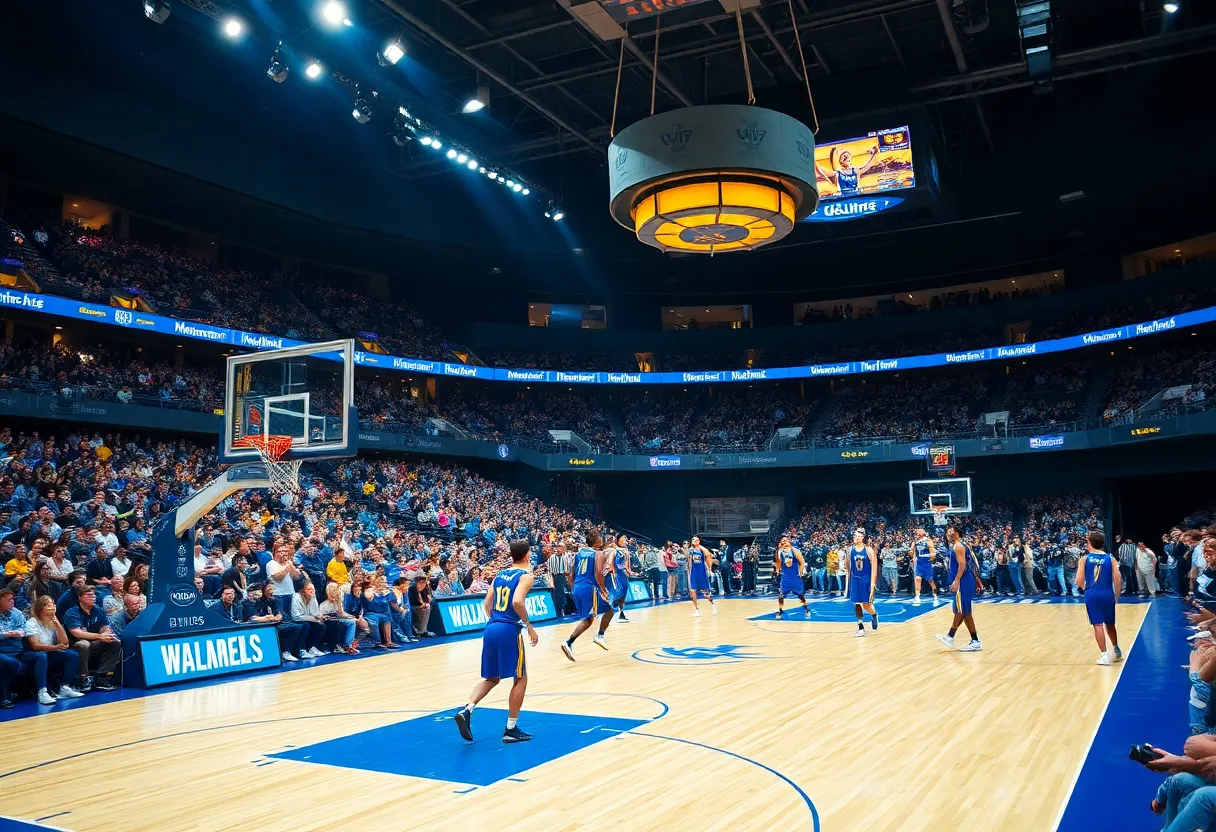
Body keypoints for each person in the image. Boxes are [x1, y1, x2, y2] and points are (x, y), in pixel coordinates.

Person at [454, 539, 539, 744]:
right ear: (527, 556)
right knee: (520, 677)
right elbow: (517, 601)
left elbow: (487, 602)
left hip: (491, 628)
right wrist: (528, 625)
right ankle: (510, 729)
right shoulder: (526, 576)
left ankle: (467, 710)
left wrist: (495, 619)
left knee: (492, 677)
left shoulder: (500, 574)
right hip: (509, 629)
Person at [560, 529, 613, 661]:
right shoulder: (598, 553)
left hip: (578, 587)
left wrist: (574, 589)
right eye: (599, 537)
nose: (601, 539)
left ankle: (569, 642)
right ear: (596, 541)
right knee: (612, 608)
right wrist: (603, 589)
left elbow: (571, 575)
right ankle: (600, 635)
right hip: (589, 587)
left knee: (589, 619)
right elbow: (598, 573)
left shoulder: (579, 554)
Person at [22, 595, 84, 705]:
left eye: (53, 604)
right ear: (41, 608)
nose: (53, 606)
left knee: (72, 655)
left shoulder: (53, 621)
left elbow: (65, 643)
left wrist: (57, 623)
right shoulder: (32, 623)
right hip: (33, 654)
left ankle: (65, 687)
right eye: (49, 604)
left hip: (49, 653)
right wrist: (55, 647)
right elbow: (35, 645)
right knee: (41, 656)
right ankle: (42, 691)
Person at [1075, 530, 1122, 666]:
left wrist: (1086, 588)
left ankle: (1104, 655)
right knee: (1110, 624)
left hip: (1092, 593)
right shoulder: (1110, 558)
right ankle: (1116, 648)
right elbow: (1118, 578)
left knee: (1097, 624)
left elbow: (1078, 580)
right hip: (1107, 593)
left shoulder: (1085, 558)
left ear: (1089, 543)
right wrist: (1117, 595)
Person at [935, 525, 984, 652]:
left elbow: (962, 565)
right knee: (965, 611)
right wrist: (977, 580)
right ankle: (975, 641)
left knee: (960, 610)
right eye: (947, 531)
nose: (948, 532)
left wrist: (956, 581)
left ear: (957, 532)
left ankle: (950, 636)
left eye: (951, 530)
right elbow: (972, 564)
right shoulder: (962, 544)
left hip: (963, 581)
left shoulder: (958, 546)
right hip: (967, 580)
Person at [846, 529, 878, 637]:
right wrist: (848, 581)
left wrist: (873, 583)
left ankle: (874, 615)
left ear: (863, 537)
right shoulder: (850, 550)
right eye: (855, 535)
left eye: (858, 536)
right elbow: (848, 566)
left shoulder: (868, 550)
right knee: (856, 603)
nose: (856, 537)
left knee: (867, 605)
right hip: (855, 579)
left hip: (866, 579)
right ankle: (860, 627)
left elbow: (874, 567)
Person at [814, 144, 879, 198]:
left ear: (850, 158)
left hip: (855, 196)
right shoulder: (837, 173)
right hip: (842, 198)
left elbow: (867, 166)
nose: (846, 158)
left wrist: (874, 153)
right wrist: (814, 163)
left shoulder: (856, 171)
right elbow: (822, 172)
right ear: (840, 161)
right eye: (843, 157)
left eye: (847, 156)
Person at [774, 536, 809, 618]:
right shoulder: (779, 552)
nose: (783, 542)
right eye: (782, 541)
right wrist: (777, 570)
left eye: (785, 541)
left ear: (789, 542)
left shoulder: (795, 551)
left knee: (801, 595)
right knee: (781, 595)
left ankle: (806, 608)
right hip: (785, 578)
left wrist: (801, 572)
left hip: (795, 577)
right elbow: (778, 562)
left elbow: (802, 563)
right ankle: (780, 611)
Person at [687, 535, 716, 617]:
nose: (693, 541)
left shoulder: (702, 550)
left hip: (702, 573)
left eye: (695, 540)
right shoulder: (690, 550)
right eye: (692, 539)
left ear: (699, 542)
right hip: (694, 573)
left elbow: (708, 555)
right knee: (693, 591)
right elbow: (688, 557)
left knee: (705, 593)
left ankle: (712, 603)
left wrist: (710, 570)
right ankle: (697, 609)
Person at [607, 535, 633, 622]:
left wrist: (629, 571)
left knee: (623, 595)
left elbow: (625, 564)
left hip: (623, 574)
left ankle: (621, 614)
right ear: (618, 541)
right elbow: (611, 564)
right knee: (618, 592)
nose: (625, 540)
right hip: (616, 574)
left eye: (626, 538)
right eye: (623, 538)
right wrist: (614, 573)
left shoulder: (625, 551)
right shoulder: (613, 550)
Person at [912, 528, 939, 604]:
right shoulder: (916, 542)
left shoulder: (928, 541)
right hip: (919, 564)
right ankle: (917, 597)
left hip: (926, 564)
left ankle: (935, 595)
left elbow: (933, 552)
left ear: (923, 532)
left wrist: (931, 558)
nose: (918, 532)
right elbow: (914, 552)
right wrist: (914, 559)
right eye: (917, 531)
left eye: (920, 531)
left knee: (930, 581)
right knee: (917, 579)